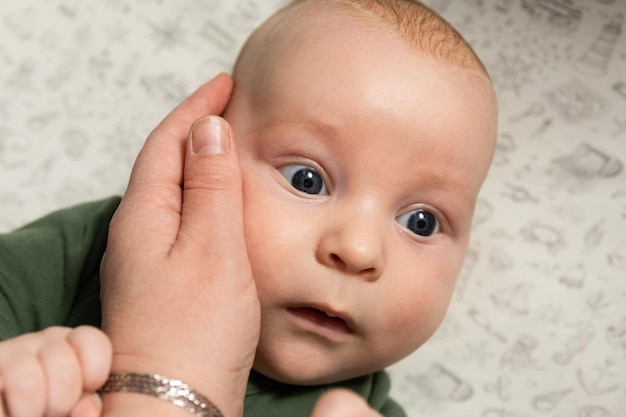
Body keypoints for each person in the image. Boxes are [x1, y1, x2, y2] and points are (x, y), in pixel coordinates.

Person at [0, 0, 498, 416]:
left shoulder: (364, 407)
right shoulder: (98, 249)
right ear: (205, 151)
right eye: (308, 180)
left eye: (422, 221)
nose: (360, 248)